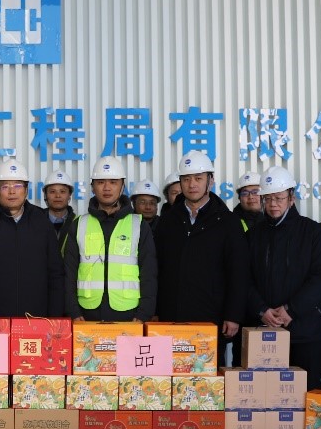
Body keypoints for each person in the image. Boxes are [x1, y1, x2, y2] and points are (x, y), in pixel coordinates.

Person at [154, 151, 249, 366]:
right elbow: (157, 268)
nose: (192, 184)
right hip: (171, 317)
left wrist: (233, 315)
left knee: (206, 378)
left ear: (210, 181)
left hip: (210, 317)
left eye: (198, 178)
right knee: (170, 375)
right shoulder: (168, 221)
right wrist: (156, 311)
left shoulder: (228, 222)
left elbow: (239, 272)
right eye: (186, 179)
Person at [245, 166, 321, 384]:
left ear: (291, 198)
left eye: (279, 198)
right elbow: (244, 278)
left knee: (306, 392)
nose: (273, 204)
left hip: (305, 331)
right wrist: (261, 309)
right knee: (265, 393)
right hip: (264, 330)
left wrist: (291, 309)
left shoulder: (314, 232)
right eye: (268, 198)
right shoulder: (253, 235)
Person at [0, 159, 65, 317]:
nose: (12, 192)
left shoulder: (41, 222)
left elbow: (55, 273)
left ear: (26, 190)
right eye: (5, 186)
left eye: (17, 186)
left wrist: (55, 317)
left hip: (36, 317)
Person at [64, 157, 157, 322]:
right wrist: (73, 312)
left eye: (113, 182)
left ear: (122, 186)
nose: (107, 188)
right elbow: (68, 273)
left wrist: (143, 314)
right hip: (86, 315)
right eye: (100, 182)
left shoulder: (139, 225)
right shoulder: (79, 224)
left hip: (129, 315)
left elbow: (149, 273)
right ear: (93, 187)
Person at [43, 170, 77, 255]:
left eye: (62, 191)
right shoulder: (35, 222)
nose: (58, 196)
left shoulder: (78, 223)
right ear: (46, 195)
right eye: (52, 192)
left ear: (69, 195)